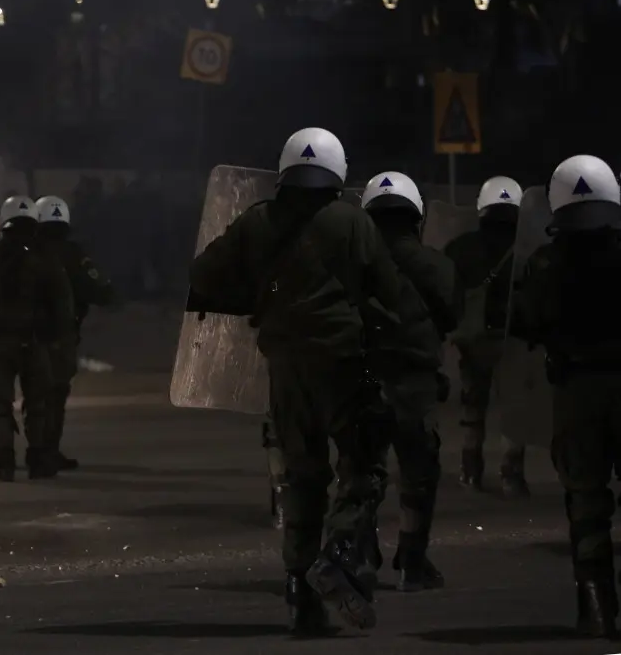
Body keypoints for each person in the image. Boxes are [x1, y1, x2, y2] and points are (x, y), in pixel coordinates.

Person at [187, 127, 415, 635]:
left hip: (285, 368)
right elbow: (388, 292)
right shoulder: (354, 223)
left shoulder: (257, 223)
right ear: (336, 170)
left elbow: (203, 276)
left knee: (302, 477)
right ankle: (335, 555)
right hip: (342, 362)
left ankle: (299, 595)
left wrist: (256, 292)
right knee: (363, 466)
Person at [511, 155, 621, 638]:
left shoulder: (543, 264)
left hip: (577, 392)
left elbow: (527, 326)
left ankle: (596, 608)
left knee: (586, 501)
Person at [358, 171, 459, 592]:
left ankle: (361, 557)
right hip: (415, 383)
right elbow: (451, 318)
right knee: (419, 473)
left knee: (362, 472)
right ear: (415, 215)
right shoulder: (436, 265)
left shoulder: (351, 262)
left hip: (362, 380)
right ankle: (412, 562)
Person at [0, 196, 76, 482]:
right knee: (37, 404)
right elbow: (63, 304)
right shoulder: (45, 259)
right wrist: (58, 339)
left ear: (2, 222)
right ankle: (37, 461)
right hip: (35, 343)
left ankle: (5, 463)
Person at [443, 176, 526, 495]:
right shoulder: (527, 249)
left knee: (472, 408)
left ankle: (470, 469)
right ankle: (512, 475)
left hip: (474, 340)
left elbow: (448, 292)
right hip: (513, 340)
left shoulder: (461, 248)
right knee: (514, 409)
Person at [32, 195, 115, 469]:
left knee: (36, 395)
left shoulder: (25, 251)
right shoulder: (74, 253)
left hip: (28, 335)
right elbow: (100, 291)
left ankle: (34, 452)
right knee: (55, 395)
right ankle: (48, 452)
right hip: (62, 335)